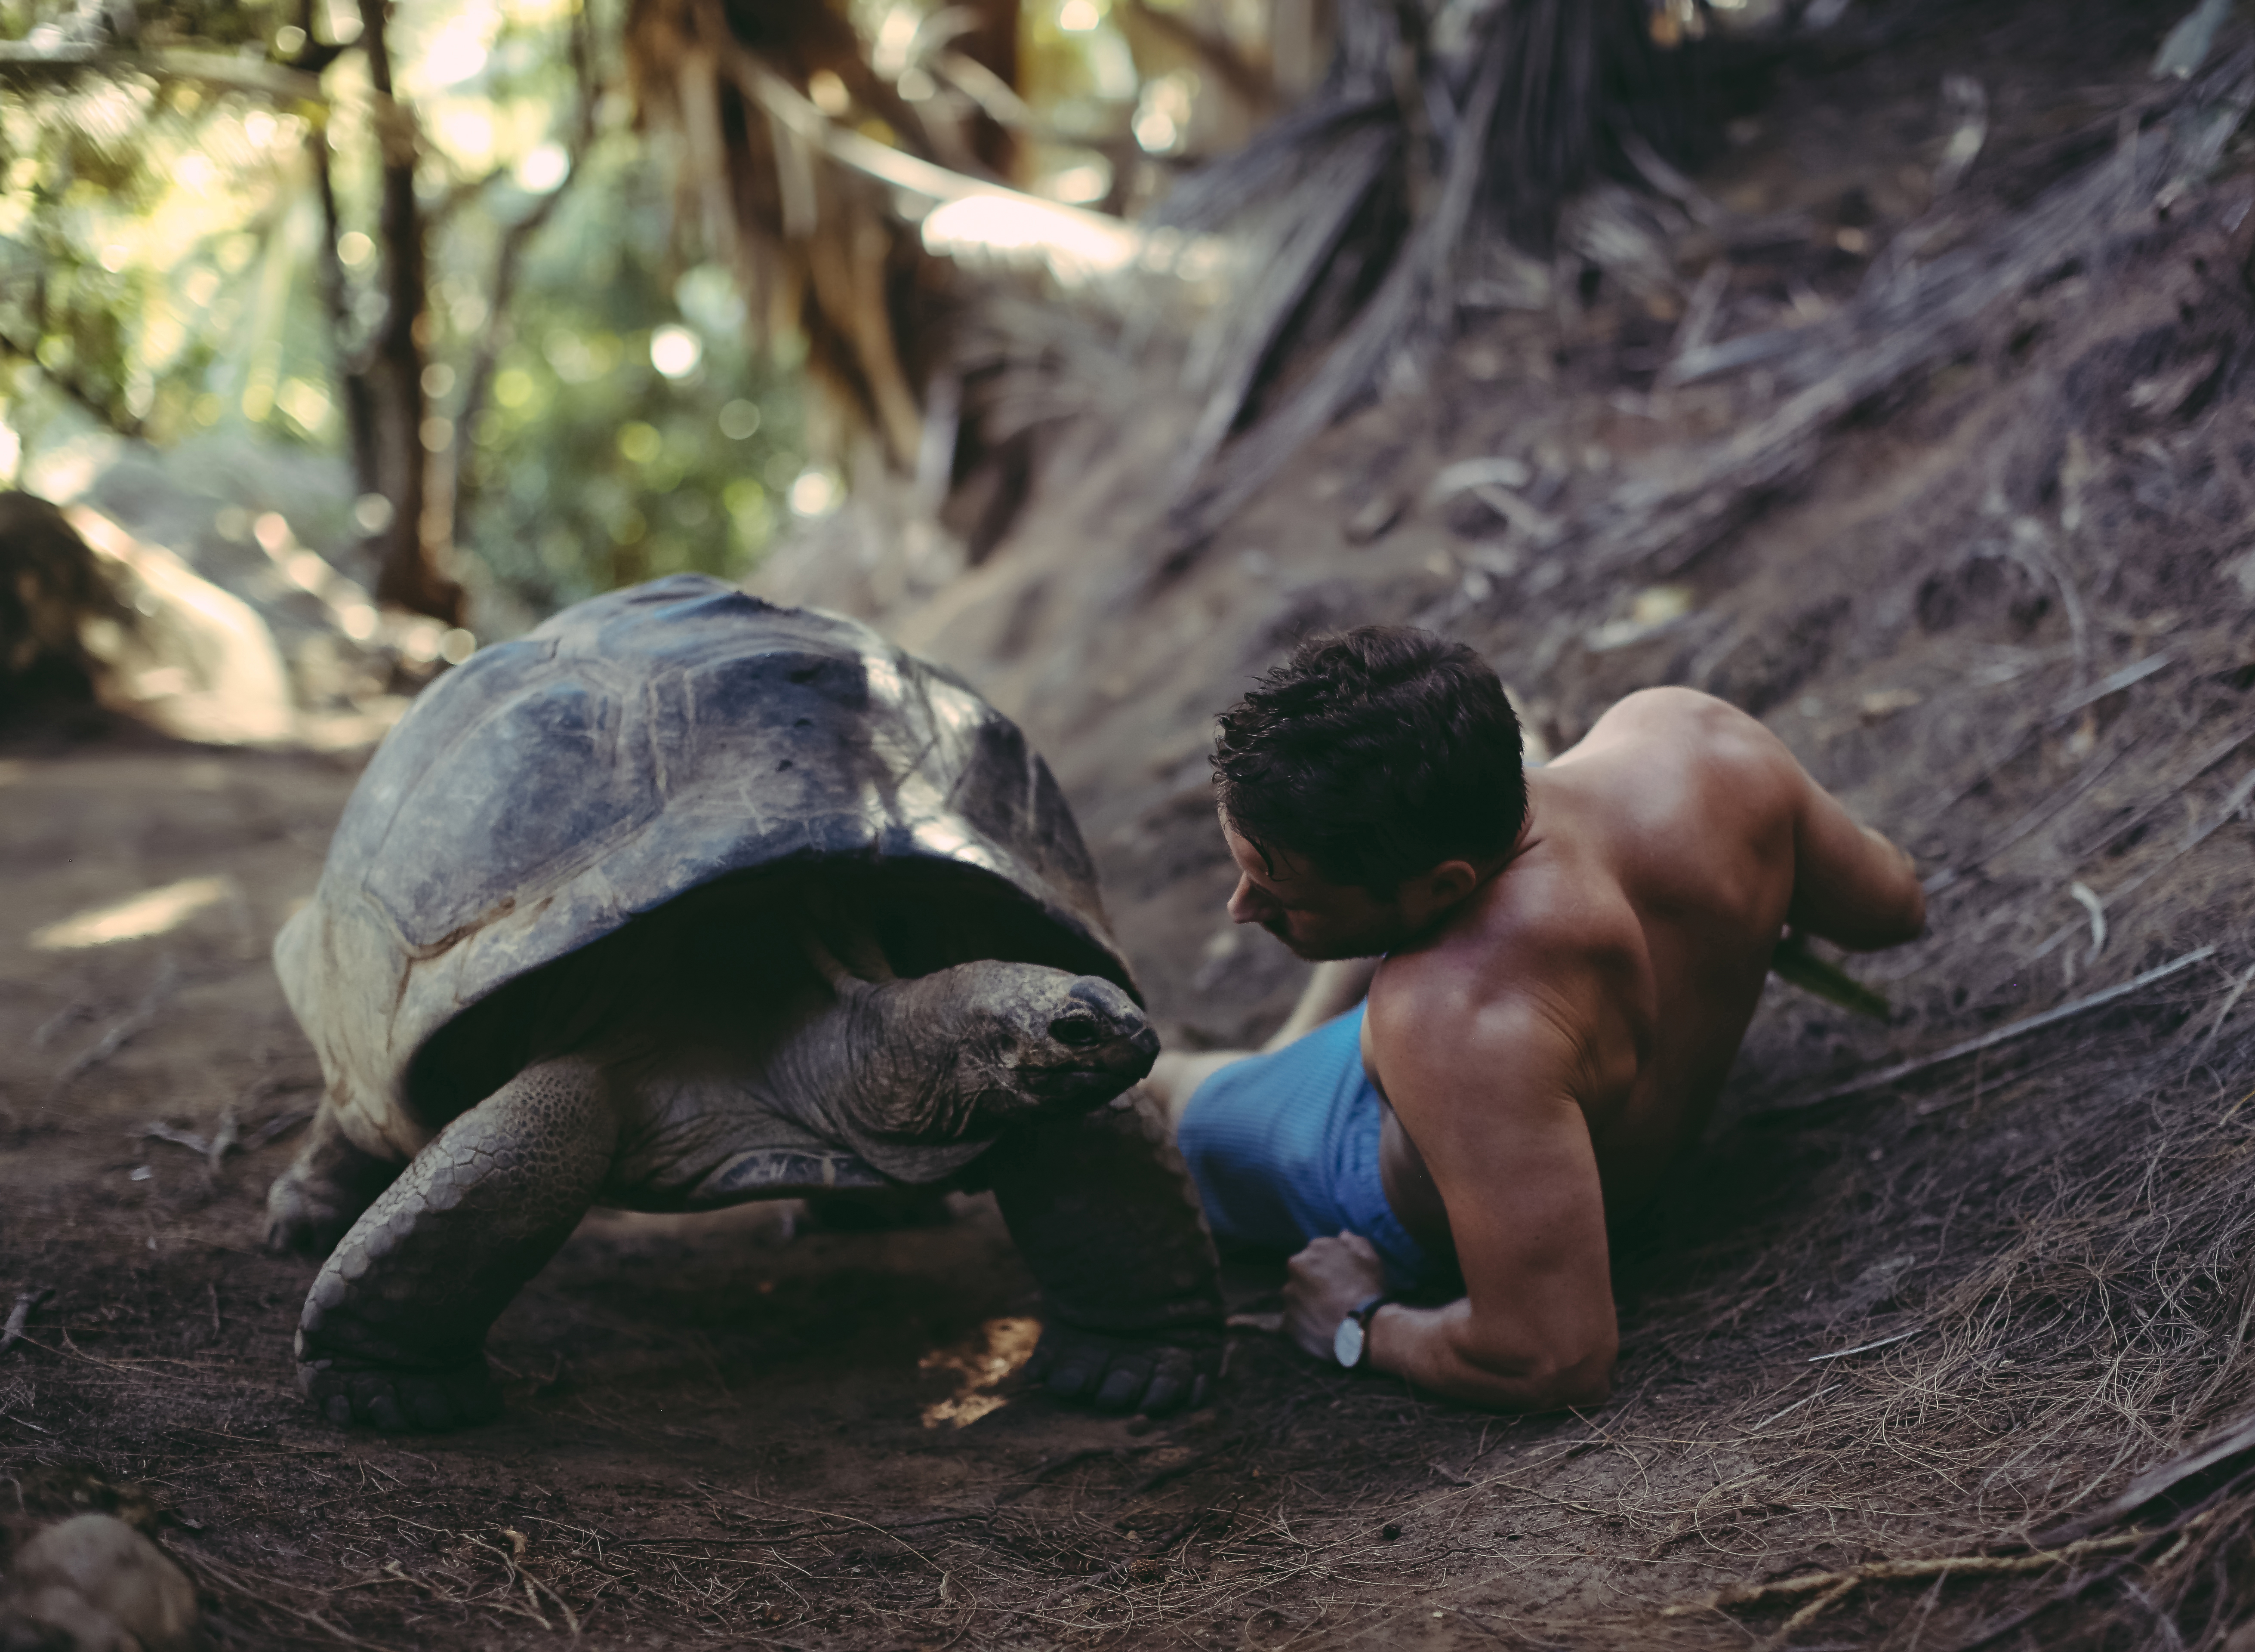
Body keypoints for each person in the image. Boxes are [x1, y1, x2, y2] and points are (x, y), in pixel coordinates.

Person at [1142, 627, 1925, 1412]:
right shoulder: (1696, 736)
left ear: (1446, 891)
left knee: (1167, 1093)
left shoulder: (1451, 1018)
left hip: (1378, 1151)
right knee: (1421, 880)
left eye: (1283, 899)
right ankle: (1288, 1039)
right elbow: (1893, 908)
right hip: (1506, 1059)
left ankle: (1246, 1071)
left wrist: (1357, 1323)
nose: (1241, 910)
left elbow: (1553, 1358)